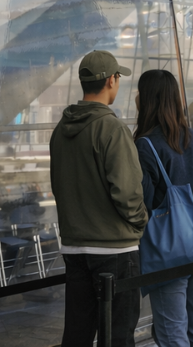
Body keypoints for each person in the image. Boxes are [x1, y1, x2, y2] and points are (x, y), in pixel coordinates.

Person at [50, 50, 147, 347]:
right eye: (118, 78)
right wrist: (141, 221)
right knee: (117, 336)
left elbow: (59, 186)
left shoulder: (60, 131)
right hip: (114, 250)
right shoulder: (112, 129)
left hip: (75, 248)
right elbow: (128, 193)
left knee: (77, 336)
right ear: (111, 81)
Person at [134, 70, 193, 347]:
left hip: (168, 254)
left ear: (146, 100)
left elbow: (142, 202)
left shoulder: (145, 145)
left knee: (172, 334)